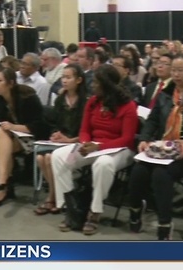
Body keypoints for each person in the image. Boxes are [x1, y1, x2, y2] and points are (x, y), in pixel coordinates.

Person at [128, 54, 183, 240]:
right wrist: (144, 138)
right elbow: (152, 121)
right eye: (173, 70)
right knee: (138, 170)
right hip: (161, 148)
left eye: (181, 70)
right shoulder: (165, 94)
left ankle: (165, 223)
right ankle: (135, 209)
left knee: (161, 174)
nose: (176, 74)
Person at [51, 65, 138, 235]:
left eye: (96, 82)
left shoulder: (128, 106)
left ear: (106, 84)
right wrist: (84, 143)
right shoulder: (93, 102)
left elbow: (127, 138)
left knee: (103, 163)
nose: (92, 85)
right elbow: (84, 130)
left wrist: (99, 147)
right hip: (92, 146)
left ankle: (95, 212)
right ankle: (71, 208)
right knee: (58, 157)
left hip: (120, 149)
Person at [0, 68, 49, 208]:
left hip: (35, 137)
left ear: (10, 83)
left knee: (4, 135)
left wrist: (14, 127)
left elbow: (39, 125)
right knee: (0, 132)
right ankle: (2, 182)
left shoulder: (28, 97)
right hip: (12, 139)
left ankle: (2, 185)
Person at [34, 64, 87, 215]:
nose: (64, 81)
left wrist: (70, 140)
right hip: (61, 142)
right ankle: (55, 194)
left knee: (50, 158)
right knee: (40, 158)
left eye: (68, 77)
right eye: (63, 77)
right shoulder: (60, 100)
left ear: (79, 80)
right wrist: (55, 134)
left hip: (78, 146)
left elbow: (87, 132)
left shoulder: (86, 102)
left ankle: (53, 197)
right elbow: (54, 123)